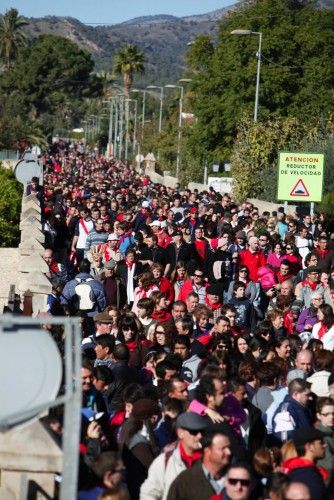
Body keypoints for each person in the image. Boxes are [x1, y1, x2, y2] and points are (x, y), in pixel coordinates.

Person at [140, 412, 206, 500]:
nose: (200, 436)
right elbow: (148, 494)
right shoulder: (163, 462)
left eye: (202, 431)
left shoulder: (211, 458)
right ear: (180, 433)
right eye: (194, 432)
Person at [166, 430, 232, 500]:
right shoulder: (185, 482)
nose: (229, 452)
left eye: (229, 447)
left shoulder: (238, 474)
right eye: (223, 448)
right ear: (207, 451)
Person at [282, 428, 327, 500]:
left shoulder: (296, 469)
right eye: (321, 442)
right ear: (309, 447)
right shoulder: (307, 475)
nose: (325, 445)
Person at [314, 397, 334, 477]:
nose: (331, 417)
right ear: (319, 416)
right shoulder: (318, 436)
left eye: (333, 413)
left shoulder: (331, 429)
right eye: (326, 414)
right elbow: (329, 464)